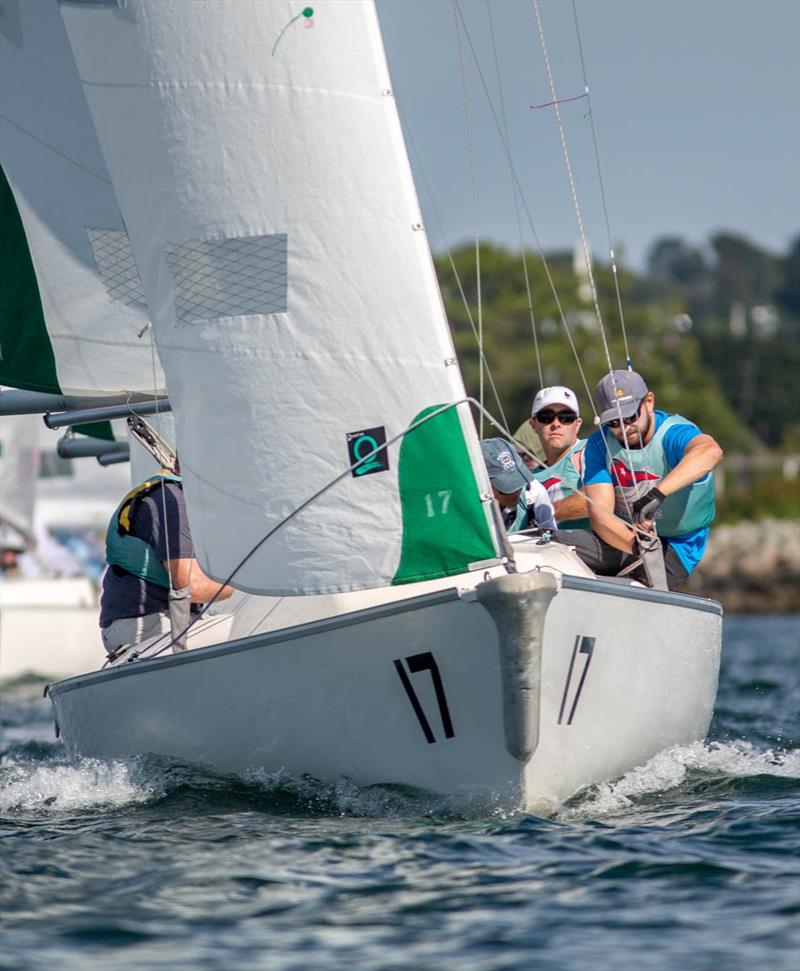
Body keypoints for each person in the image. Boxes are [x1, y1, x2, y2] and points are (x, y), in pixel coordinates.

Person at [558, 369, 723, 590]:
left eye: (630, 418)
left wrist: (656, 495)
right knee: (553, 545)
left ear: (649, 402)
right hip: (626, 538)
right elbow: (601, 516)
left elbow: (711, 451)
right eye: (614, 422)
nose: (624, 429)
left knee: (635, 588)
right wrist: (638, 546)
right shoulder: (600, 444)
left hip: (678, 544)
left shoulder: (672, 434)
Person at [100, 466, 233, 656]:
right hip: (142, 628)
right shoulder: (171, 501)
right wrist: (247, 583)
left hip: (154, 622)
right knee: (248, 628)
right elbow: (191, 587)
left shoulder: (175, 495)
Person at [527, 385, 589, 529]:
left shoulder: (588, 451)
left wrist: (542, 514)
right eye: (546, 417)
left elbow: (597, 500)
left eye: (566, 417)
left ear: (577, 424)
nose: (556, 424)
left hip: (587, 547)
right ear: (533, 424)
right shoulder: (529, 478)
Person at [481, 438, 556, 533]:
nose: (516, 493)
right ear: (485, 483)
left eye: (520, 482)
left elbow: (550, 535)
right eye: (507, 489)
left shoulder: (534, 491)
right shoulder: (472, 503)